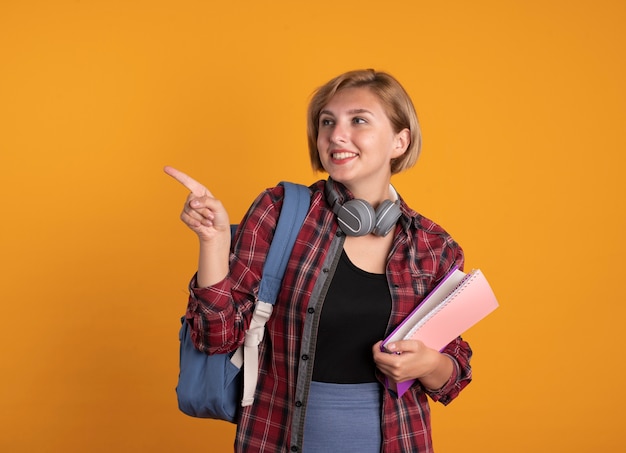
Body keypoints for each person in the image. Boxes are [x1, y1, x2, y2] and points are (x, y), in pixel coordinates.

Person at [165, 69, 472, 453]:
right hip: (279, 439)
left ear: (400, 140)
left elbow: (453, 371)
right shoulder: (280, 212)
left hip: (398, 441)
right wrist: (212, 242)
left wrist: (428, 365)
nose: (336, 134)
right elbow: (216, 338)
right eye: (327, 121)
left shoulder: (433, 246)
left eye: (358, 120)